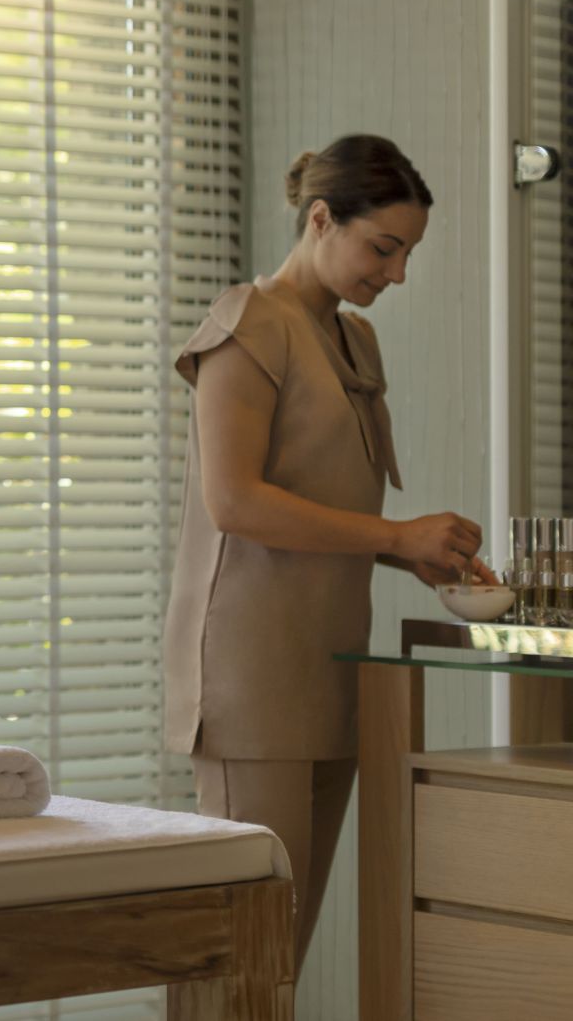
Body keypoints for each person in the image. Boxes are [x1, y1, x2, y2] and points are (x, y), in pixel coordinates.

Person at [164, 133, 492, 970]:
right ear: (320, 218)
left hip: (331, 666)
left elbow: (321, 502)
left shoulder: (355, 342)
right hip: (251, 678)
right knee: (241, 960)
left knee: (282, 958)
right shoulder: (248, 324)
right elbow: (235, 501)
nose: (397, 273)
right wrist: (394, 534)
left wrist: (406, 553)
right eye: (383, 247)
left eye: (408, 252)